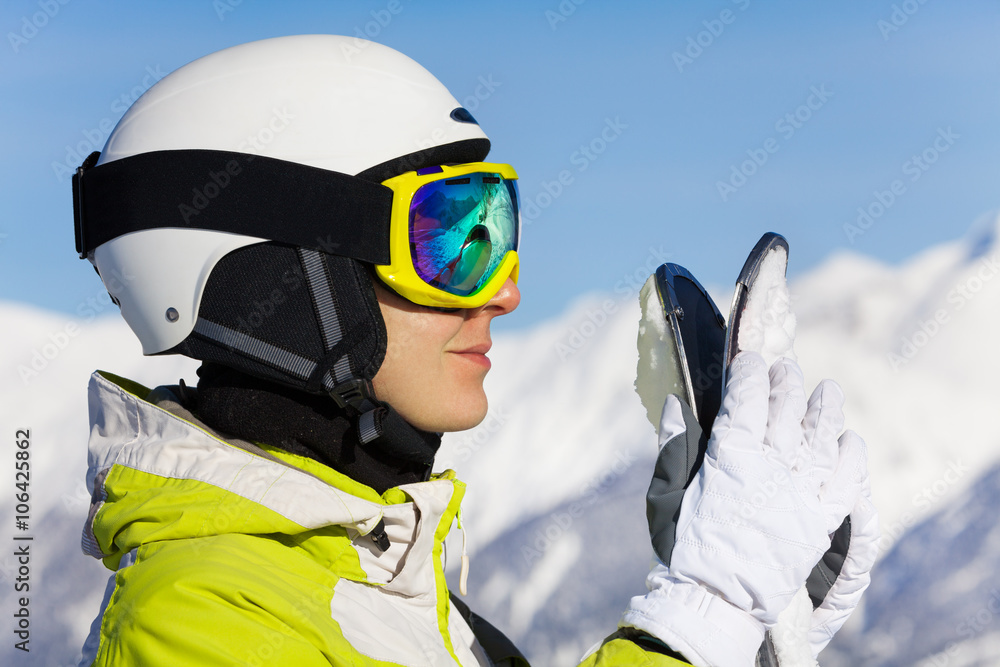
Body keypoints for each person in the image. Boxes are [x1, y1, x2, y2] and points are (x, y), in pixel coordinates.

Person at [71, 35, 877, 667]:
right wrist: (702, 616)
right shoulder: (193, 620)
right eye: (449, 240)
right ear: (284, 284)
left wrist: (754, 630)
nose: (502, 292)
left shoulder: (391, 588)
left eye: (496, 229)